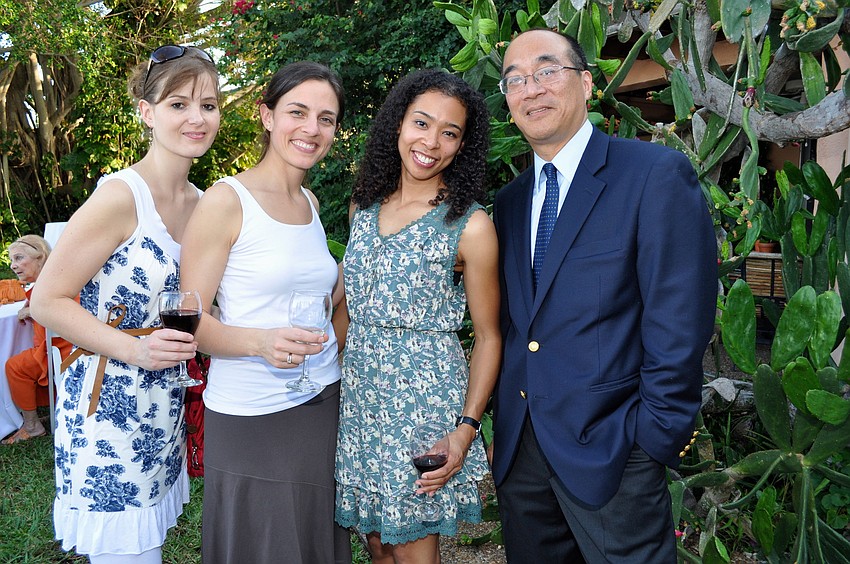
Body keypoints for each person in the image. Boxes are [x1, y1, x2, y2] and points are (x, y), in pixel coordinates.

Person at [490, 29, 717, 562]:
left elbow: (680, 320)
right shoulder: (510, 201)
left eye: (547, 71)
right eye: (515, 80)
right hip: (523, 459)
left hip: (616, 455)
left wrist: (653, 438)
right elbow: (519, 325)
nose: (531, 88)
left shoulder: (653, 176)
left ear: (587, 84)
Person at [30, 44, 220, 563]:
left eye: (207, 105)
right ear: (147, 112)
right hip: (108, 406)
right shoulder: (120, 197)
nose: (196, 118)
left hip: (164, 404)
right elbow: (47, 300)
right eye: (178, 104)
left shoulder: (204, 203)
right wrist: (135, 350)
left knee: (147, 542)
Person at [178, 61, 352, 564]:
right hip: (253, 412)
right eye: (297, 112)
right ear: (267, 115)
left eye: (326, 118)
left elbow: (319, 299)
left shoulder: (310, 202)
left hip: (321, 401)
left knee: (313, 540)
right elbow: (189, 321)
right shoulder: (226, 201)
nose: (311, 128)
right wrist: (260, 343)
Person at [334, 69, 500, 562]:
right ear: (398, 125)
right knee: (378, 548)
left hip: (421, 409)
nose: (430, 142)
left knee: (412, 553)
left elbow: (489, 336)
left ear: (462, 145)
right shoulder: (363, 206)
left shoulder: (470, 225)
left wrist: (465, 429)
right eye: (421, 123)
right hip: (361, 402)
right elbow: (351, 308)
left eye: (449, 133)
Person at [2, 235, 73, 444]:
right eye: (12, 260)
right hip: (56, 344)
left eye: (19, 258)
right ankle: (50, 410)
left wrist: (34, 310)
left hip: (63, 348)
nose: (13, 265)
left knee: (15, 366)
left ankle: (32, 426)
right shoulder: (51, 279)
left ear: (40, 257)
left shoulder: (53, 282)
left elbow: (65, 308)